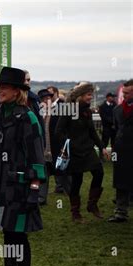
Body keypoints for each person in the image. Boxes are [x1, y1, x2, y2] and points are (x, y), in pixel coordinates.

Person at [0, 67, 46, 266]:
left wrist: (35, 188)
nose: (0, 90)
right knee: (7, 234)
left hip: (19, 186)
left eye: (5, 86)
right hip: (0, 185)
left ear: (18, 91)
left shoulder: (28, 117)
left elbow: (37, 156)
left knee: (18, 236)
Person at [55, 83, 109, 223]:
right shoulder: (68, 109)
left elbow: (92, 131)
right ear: (80, 96)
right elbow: (58, 132)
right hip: (74, 152)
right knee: (77, 181)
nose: (91, 97)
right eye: (88, 95)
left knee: (99, 172)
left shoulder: (87, 111)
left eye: (91, 95)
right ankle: (75, 213)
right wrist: (67, 146)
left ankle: (92, 204)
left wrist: (102, 147)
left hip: (88, 150)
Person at [108, 80, 133, 222]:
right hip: (121, 151)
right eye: (123, 93)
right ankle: (120, 212)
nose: (123, 95)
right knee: (121, 182)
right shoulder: (117, 110)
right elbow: (116, 130)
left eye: (127, 93)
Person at [47, 85, 71, 195]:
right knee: (56, 164)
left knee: (63, 165)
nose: (49, 96)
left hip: (60, 141)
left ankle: (69, 189)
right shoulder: (49, 106)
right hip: (51, 140)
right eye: (48, 94)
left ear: (56, 93)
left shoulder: (61, 105)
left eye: (51, 94)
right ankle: (59, 186)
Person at [37, 88, 55, 205]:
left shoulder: (56, 112)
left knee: (64, 174)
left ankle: (73, 196)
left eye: (49, 98)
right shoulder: (37, 113)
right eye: (45, 98)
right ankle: (41, 198)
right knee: (44, 172)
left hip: (55, 147)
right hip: (43, 148)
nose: (48, 100)